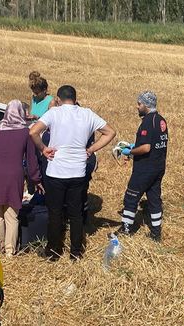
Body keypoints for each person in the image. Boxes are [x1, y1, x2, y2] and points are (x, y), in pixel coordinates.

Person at [29, 85, 115, 260]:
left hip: (56, 171)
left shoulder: (54, 113)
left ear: (59, 99)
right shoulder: (87, 113)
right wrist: (90, 149)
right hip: (78, 171)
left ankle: (53, 251)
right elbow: (110, 132)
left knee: (55, 212)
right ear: (75, 99)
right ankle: (76, 252)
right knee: (76, 214)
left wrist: (44, 149)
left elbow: (33, 131)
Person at [0, 100, 41, 256]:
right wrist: (36, 179)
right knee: (12, 215)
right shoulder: (25, 133)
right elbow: (31, 159)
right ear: (21, 113)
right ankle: (10, 251)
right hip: (13, 175)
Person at [115, 91, 168, 241]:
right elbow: (155, 142)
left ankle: (126, 230)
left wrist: (130, 151)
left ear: (146, 105)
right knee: (154, 199)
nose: (137, 107)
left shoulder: (147, 122)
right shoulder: (160, 120)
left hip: (145, 168)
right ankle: (156, 233)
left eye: (139, 104)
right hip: (158, 166)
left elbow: (146, 148)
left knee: (131, 197)